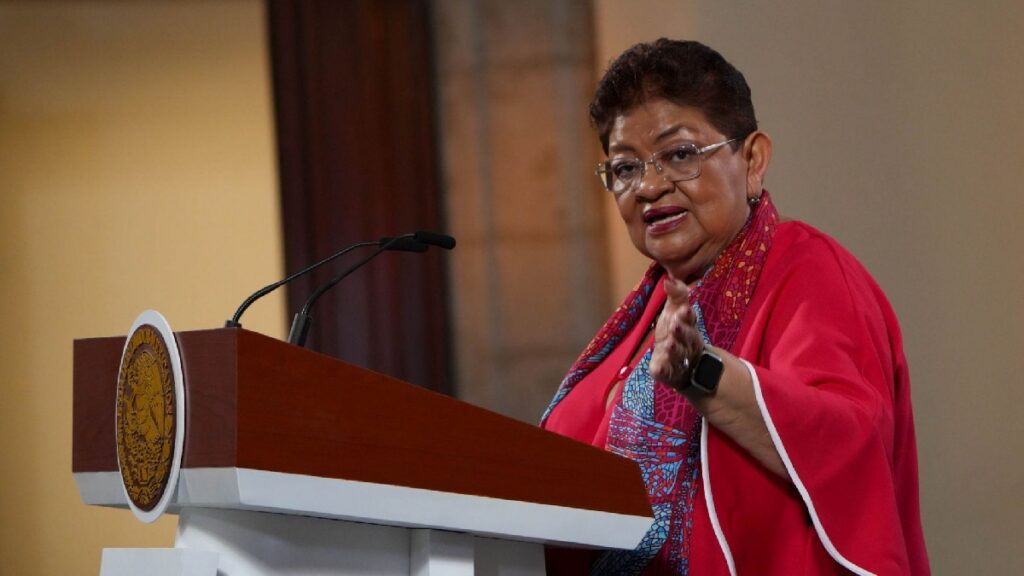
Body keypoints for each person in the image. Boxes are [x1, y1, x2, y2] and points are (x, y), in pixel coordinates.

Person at [540, 39, 930, 575]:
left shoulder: (807, 270)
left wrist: (703, 375)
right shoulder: (642, 315)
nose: (649, 186)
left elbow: (849, 442)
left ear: (752, 159)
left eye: (679, 155)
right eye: (625, 168)